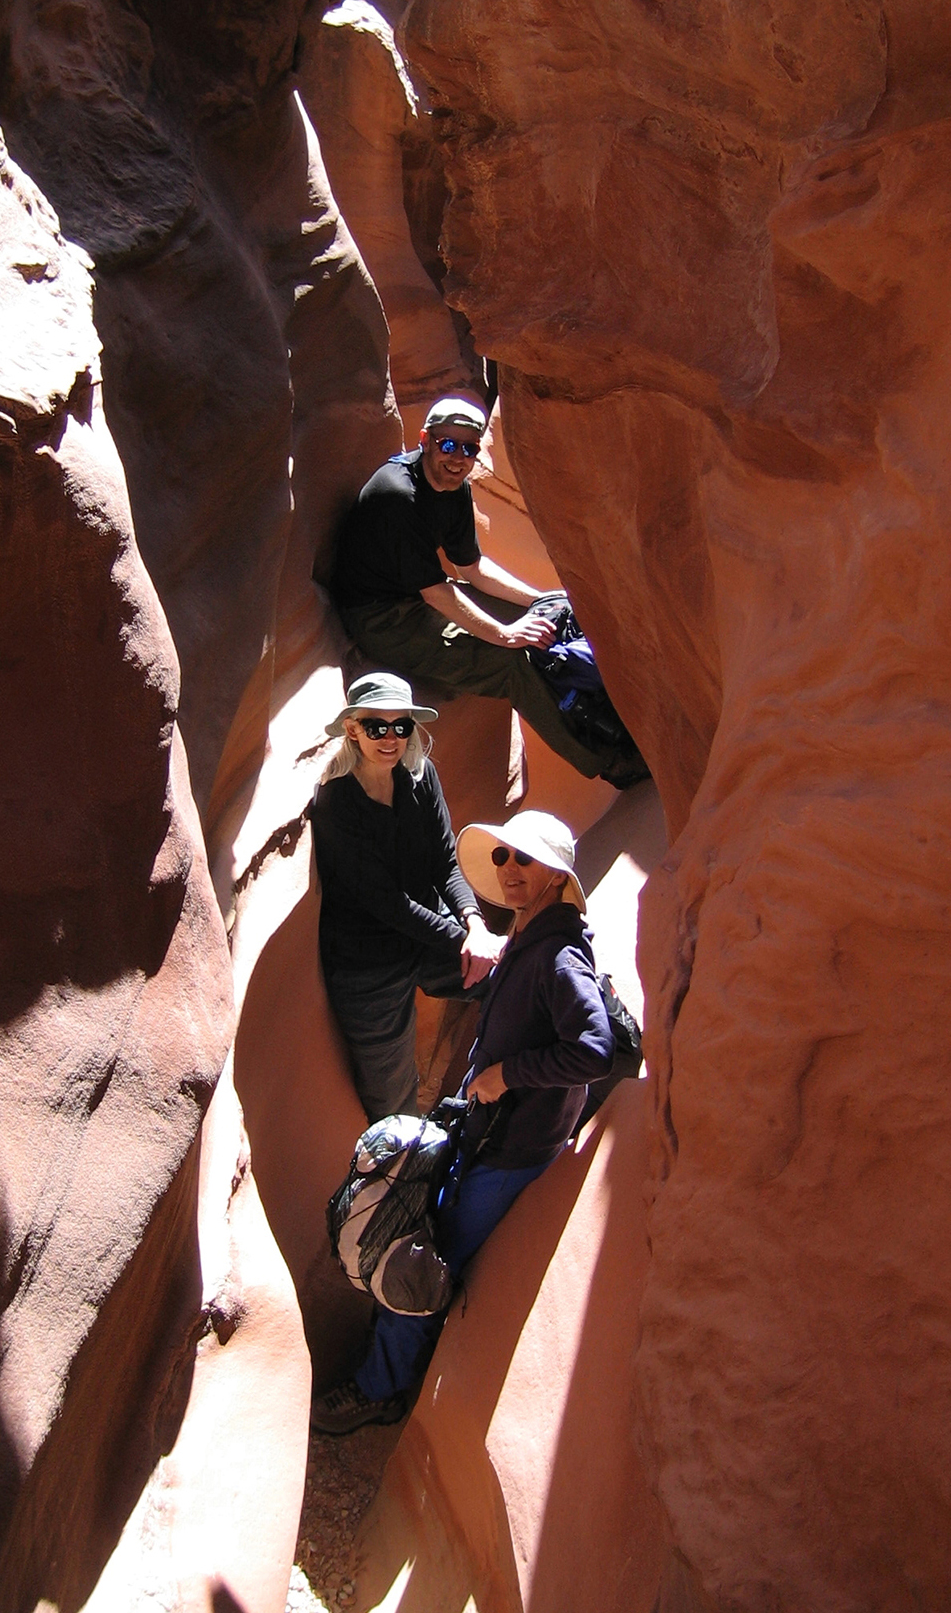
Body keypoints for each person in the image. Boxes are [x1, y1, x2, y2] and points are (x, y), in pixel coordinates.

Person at [311, 809, 620, 1434]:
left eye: (525, 859)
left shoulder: (559, 956)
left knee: (418, 1259)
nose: (508, 869)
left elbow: (594, 1050)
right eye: (503, 856)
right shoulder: (532, 936)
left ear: (557, 876)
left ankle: (380, 1390)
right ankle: (392, 1358)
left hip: (510, 1150)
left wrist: (508, 1075)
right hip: (491, 1131)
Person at [330, 394, 605, 779]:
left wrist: (542, 599)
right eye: (447, 445)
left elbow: (471, 568)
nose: (458, 457)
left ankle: (614, 718)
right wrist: (505, 634)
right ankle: (608, 762)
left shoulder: (454, 487)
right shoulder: (397, 495)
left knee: (553, 618)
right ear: (425, 440)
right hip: (382, 621)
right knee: (513, 664)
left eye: (469, 448)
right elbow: (437, 593)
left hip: (422, 598)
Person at [311, 672, 501, 1123]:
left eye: (402, 726)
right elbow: (387, 904)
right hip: (369, 966)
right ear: (352, 729)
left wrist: (476, 924)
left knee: (519, 979)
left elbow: (445, 861)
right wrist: (465, 941)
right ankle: (400, 1159)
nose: (391, 738)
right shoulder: (337, 803)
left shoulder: (420, 776)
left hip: (429, 935)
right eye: (377, 726)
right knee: (392, 1100)